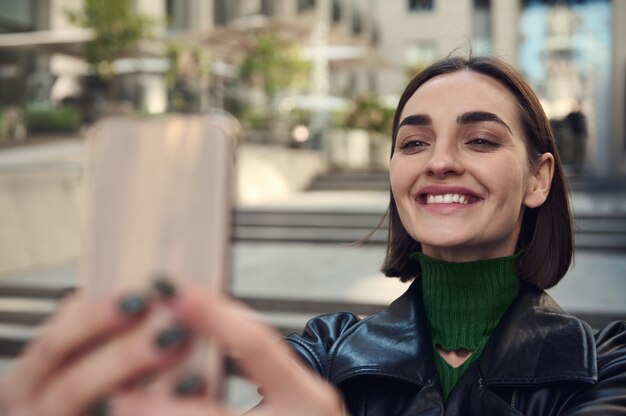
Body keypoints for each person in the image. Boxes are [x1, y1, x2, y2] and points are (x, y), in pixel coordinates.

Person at [1, 55, 625, 416]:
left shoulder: (606, 366)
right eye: (413, 142)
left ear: (539, 177)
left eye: (481, 139)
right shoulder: (330, 348)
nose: (439, 161)